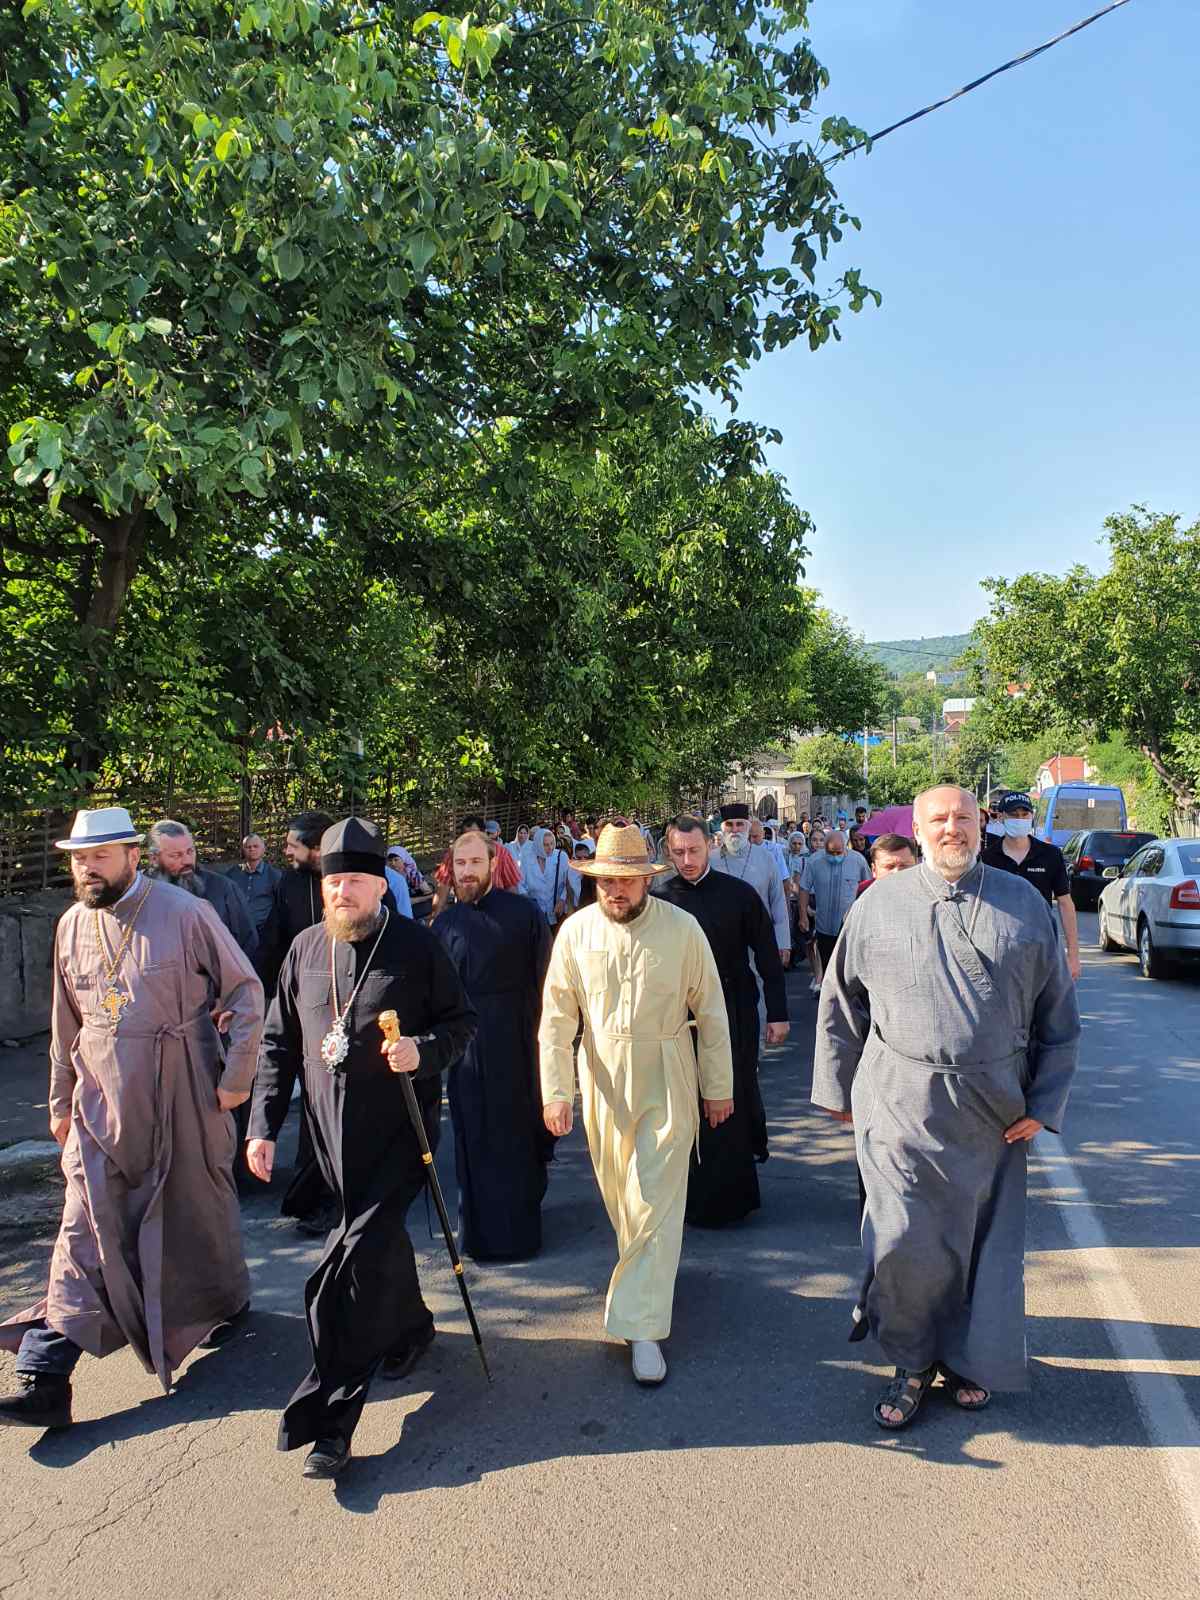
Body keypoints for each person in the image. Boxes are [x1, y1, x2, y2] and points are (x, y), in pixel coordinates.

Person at [811, 785, 1080, 1430]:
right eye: (939, 819)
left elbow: (1058, 1013)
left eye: (963, 817)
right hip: (899, 1100)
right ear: (918, 828)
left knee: (979, 1246)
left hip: (993, 1109)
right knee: (903, 1240)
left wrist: (1044, 1101)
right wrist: (838, 1090)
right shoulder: (878, 904)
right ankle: (910, 1362)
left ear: (980, 826)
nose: (951, 828)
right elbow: (840, 1002)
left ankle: (963, 1359)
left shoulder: (1023, 902)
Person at [0, 807, 263, 1429]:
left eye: (99, 857)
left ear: (131, 856)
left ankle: (223, 1300)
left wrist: (235, 1081)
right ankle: (45, 1374)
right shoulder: (70, 924)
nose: (86, 869)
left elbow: (246, 991)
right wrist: (60, 1101)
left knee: (195, 1209)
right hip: (99, 1102)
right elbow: (66, 1023)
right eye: (78, 859)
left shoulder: (186, 912)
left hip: (182, 1091)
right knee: (84, 1225)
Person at [247, 817, 476, 1478]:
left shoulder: (417, 946)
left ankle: (330, 1422)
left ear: (380, 885)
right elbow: (278, 1044)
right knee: (375, 1253)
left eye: (353, 881)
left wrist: (422, 1050)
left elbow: (463, 1023)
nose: (340, 892)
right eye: (332, 882)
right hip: (327, 1144)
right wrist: (263, 1126)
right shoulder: (303, 950)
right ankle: (410, 1327)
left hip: (399, 1139)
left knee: (343, 1274)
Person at [539, 824, 733, 1386]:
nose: (615, 889)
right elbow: (557, 1021)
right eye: (605, 880)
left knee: (653, 1198)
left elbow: (711, 1010)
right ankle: (650, 1282)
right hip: (601, 1078)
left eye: (625, 880)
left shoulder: (683, 929)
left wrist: (718, 1086)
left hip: (668, 1071)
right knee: (624, 1198)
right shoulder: (575, 932)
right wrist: (557, 1091)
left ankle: (643, 1329)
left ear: (646, 879)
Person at [659, 816, 788, 1219]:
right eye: (678, 852)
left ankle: (733, 1196)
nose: (687, 860)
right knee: (686, 1098)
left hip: (735, 1008)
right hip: (679, 1015)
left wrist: (778, 1013)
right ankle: (687, 1196)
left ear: (710, 846)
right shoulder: (659, 900)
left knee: (734, 1092)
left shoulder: (739, 894)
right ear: (668, 852)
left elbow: (766, 953)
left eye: (694, 851)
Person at [432, 831, 553, 1259]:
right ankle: (478, 1236)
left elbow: (547, 981)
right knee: (472, 1135)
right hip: (464, 1052)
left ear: (492, 864)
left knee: (517, 1136)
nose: (467, 872)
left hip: (517, 1043)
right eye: (460, 864)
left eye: (475, 863)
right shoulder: (444, 924)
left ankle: (520, 1234)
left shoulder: (524, 914)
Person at [982, 792, 1081, 981]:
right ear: (1001, 817)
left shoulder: (1050, 855)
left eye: (1024, 814)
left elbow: (1065, 904)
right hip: (998, 949)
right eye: (1013, 815)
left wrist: (1073, 955)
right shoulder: (988, 858)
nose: (1019, 819)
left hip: (1042, 947)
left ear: (1032, 816)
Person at [145, 818, 258, 958]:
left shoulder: (223, 889)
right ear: (154, 859)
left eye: (190, 851)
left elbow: (248, 943)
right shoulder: (140, 894)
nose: (187, 861)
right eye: (175, 855)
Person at [712, 804, 790, 969]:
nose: (735, 829)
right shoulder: (710, 860)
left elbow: (778, 900)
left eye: (739, 824)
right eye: (729, 824)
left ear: (747, 827)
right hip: (722, 941)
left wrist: (783, 941)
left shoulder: (766, 858)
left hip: (760, 938)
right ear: (723, 828)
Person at [796, 829, 871, 993]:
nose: (835, 856)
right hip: (824, 926)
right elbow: (804, 888)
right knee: (827, 965)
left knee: (848, 968)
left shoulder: (858, 861)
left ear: (845, 846)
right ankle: (829, 998)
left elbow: (869, 887)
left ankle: (848, 997)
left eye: (838, 852)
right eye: (831, 853)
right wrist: (803, 916)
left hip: (850, 927)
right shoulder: (814, 861)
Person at [522, 825, 571, 928]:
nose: (550, 848)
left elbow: (569, 882)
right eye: (545, 845)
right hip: (535, 915)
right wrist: (528, 902)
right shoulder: (526, 860)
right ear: (538, 845)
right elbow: (521, 884)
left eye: (552, 843)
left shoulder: (561, 857)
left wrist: (562, 899)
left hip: (557, 912)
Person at [237, 833, 282, 935]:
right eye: (248, 847)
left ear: (263, 849)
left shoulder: (274, 875)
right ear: (243, 850)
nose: (252, 849)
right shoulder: (232, 874)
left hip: (263, 932)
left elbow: (281, 906)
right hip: (238, 931)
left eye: (255, 846)